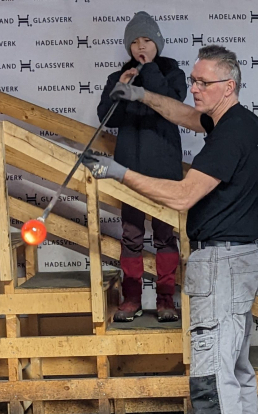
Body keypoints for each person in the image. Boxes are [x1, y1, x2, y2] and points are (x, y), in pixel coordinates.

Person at [82, 45, 258, 414]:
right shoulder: (240, 121)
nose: (194, 88)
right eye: (194, 80)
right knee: (235, 372)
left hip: (220, 264)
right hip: (237, 259)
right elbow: (185, 115)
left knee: (213, 377)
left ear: (228, 86)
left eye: (203, 82)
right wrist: (142, 95)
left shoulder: (230, 135)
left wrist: (118, 172)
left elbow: (183, 196)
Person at [97, 11, 187, 323]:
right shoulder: (119, 76)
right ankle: (131, 298)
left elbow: (172, 106)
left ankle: (166, 299)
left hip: (164, 170)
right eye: (134, 42)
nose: (140, 46)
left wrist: (149, 70)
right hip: (130, 170)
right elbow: (107, 118)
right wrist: (120, 91)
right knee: (131, 235)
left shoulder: (172, 72)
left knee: (165, 236)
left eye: (147, 40)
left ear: (157, 43)